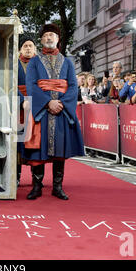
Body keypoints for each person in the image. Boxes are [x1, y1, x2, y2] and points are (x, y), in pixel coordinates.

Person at [23, 23, 84, 200]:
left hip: (61, 112)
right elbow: (31, 85)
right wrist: (48, 102)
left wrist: (61, 104)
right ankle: (36, 186)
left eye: (52, 35)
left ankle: (58, 187)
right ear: (41, 40)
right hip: (42, 112)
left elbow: (73, 86)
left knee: (60, 149)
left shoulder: (67, 61)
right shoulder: (34, 61)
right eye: (46, 36)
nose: (49, 38)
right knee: (37, 150)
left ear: (57, 40)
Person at [16, 35, 39, 187]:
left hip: (37, 106)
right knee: (18, 142)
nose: (28, 48)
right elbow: (10, 84)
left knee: (36, 140)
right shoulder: (14, 64)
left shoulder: (40, 64)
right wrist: (22, 100)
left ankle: (37, 178)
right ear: (20, 50)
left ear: (35, 48)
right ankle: (16, 176)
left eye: (31, 46)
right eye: (25, 46)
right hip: (18, 108)